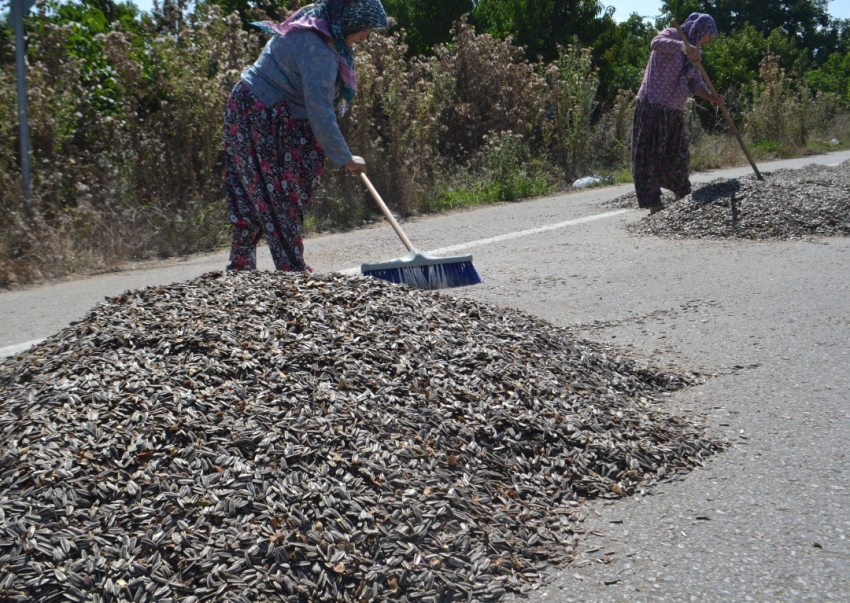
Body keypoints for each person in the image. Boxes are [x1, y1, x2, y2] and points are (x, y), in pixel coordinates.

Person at [223, 0, 388, 272]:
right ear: (348, 20)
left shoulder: (312, 25)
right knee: (282, 194)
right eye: (363, 28)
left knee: (251, 192)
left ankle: (242, 267)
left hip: (244, 104)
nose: (365, 36)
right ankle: (291, 270)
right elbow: (320, 112)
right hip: (262, 112)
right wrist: (346, 158)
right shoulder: (318, 50)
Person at [631, 13, 724, 215]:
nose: (708, 40)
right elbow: (656, 43)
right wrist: (683, 46)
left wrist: (711, 97)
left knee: (678, 154)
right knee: (650, 156)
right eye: (709, 35)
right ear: (701, 29)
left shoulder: (695, 54)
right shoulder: (674, 34)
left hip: (674, 109)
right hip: (653, 103)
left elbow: (695, 82)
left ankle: (683, 195)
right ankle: (654, 203)